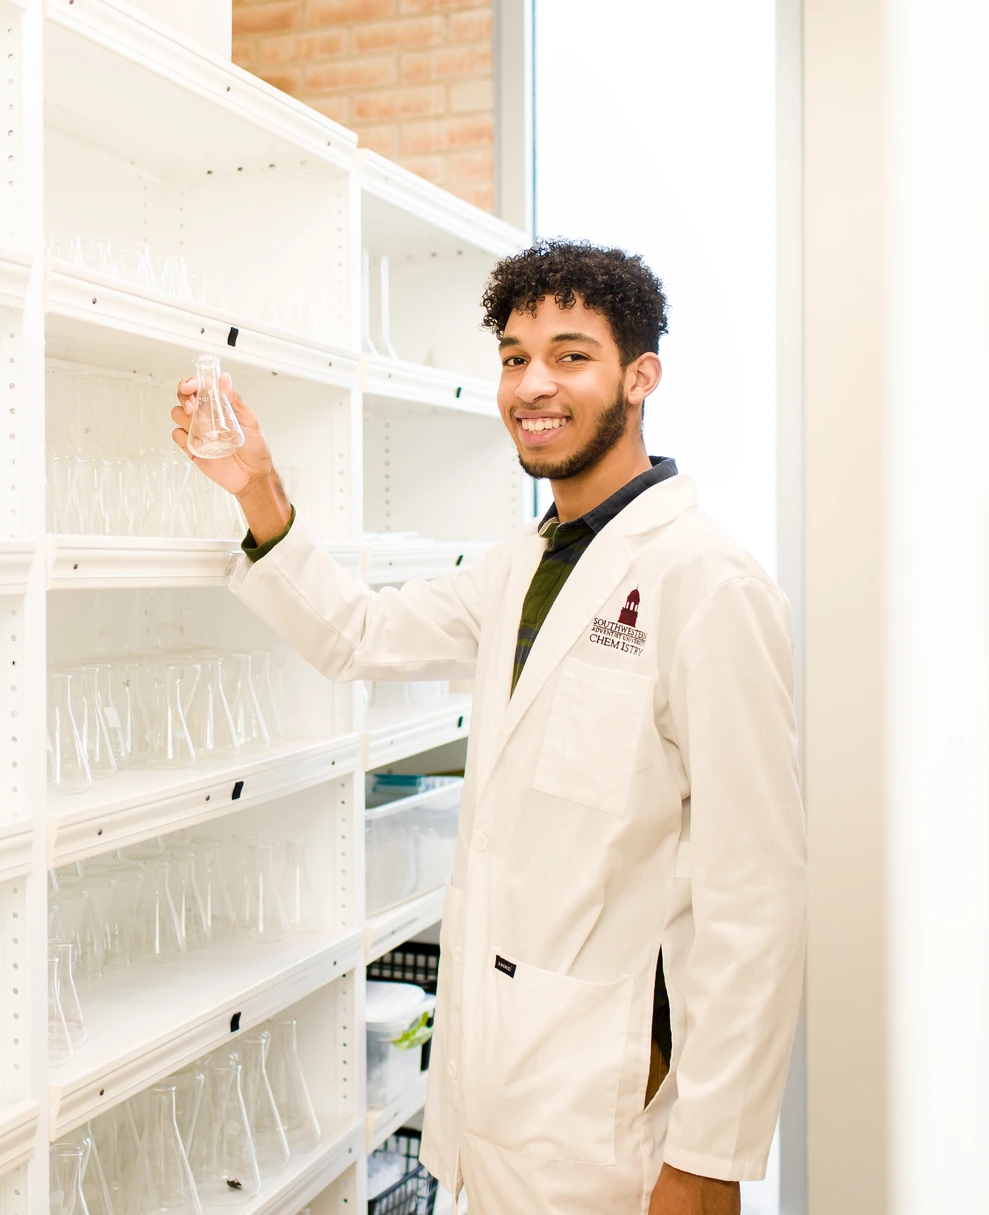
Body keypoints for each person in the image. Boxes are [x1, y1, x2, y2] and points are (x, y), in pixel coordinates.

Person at [171, 240, 805, 1215]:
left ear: (641, 377)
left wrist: (709, 1154)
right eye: (514, 357)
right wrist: (257, 486)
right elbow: (361, 634)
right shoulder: (521, 564)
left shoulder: (705, 581)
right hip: (502, 1085)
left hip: (618, 1110)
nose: (533, 383)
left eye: (570, 353)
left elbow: (754, 891)